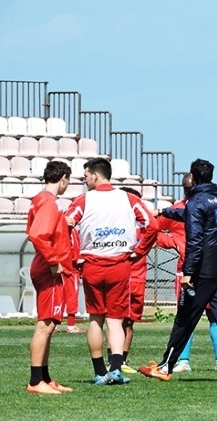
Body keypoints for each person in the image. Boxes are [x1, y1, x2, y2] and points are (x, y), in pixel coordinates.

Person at [139, 158, 217, 383]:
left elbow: (195, 238)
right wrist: (164, 211)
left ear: (193, 179)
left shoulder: (196, 202)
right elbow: (193, 215)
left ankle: (166, 366)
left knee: (184, 319)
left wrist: (188, 272)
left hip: (202, 273)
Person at [65, 157, 156, 385]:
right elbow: (152, 225)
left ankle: (98, 372)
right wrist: (139, 250)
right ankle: (115, 369)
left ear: (96, 175)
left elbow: (65, 225)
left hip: (92, 264)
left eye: (86, 176)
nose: (85, 180)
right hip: (120, 264)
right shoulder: (128, 198)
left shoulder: (83, 200)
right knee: (116, 319)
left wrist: (74, 255)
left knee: (96, 318)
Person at [25, 160, 75, 394]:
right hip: (49, 268)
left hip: (46, 265)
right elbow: (37, 235)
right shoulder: (48, 202)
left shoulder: (41, 200)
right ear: (63, 178)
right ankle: (36, 381)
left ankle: (44, 377)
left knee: (50, 323)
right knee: (45, 325)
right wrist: (54, 261)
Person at [118, 187, 159, 373]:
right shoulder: (118, 224)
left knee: (130, 321)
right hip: (120, 276)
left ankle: (123, 360)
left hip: (138, 278)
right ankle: (115, 359)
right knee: (116, 320)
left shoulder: (145, 226)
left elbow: (157, 235)